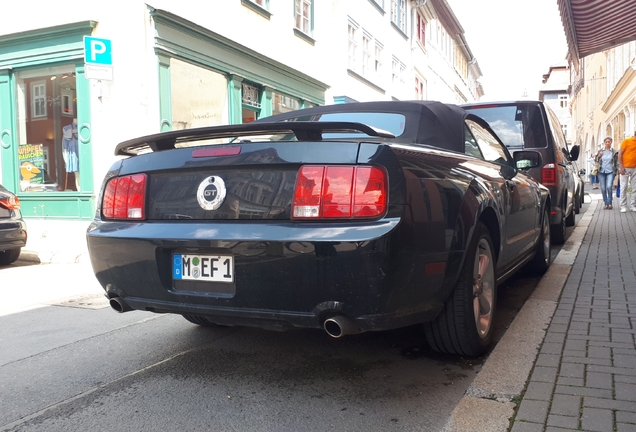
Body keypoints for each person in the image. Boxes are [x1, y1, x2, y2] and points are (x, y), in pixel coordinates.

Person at [595, 137, 618, 209]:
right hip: (601, 171)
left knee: (609, 187)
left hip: (610, 171)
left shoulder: (614, 152)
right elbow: (596, 160)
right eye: (606, 142)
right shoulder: (601, 151)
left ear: (611, 142)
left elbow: (617, 162)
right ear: (604, 143)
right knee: (603, 188)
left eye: (609, 141)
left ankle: (610, 203)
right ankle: (606, 203)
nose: (607, 143)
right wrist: (599, 156)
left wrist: (618, 171)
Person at [618, 131, 636, 212]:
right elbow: (620, 153)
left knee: (635, 188)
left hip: (635, 168)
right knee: (624, 187)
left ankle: (633, 205)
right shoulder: (627, 141)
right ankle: (623, 206)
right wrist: (621, 166)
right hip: (625, 167)